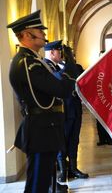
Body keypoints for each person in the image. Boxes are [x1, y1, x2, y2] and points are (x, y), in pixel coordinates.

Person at [7, 10, 76, 193]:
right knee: (38, 182)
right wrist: (70, 67)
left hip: (45, 128)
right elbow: (62, 90)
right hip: (41, 130)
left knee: (46, 180)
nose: (44, 35)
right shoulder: (28, 63)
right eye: (40, 31)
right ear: (27, 35)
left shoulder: (31, 60)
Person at [44, 42, 89, 182]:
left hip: (74, 108)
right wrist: (70, 64)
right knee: (62, 140)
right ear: (52, 52)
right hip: (62, 110)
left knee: (74, 139)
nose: (62, 55)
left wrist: (71, 64)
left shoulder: (62, 67)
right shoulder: (46, 66)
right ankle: (63, 170)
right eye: (60, 52)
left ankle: (73, 169)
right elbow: (60, 80)